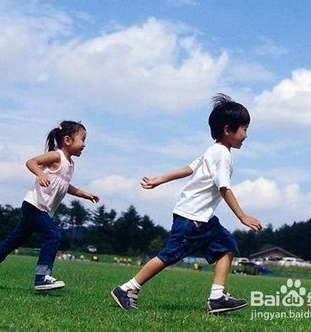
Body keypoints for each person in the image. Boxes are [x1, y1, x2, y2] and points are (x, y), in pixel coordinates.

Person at [111, 94, 263, 314]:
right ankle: (127, 289)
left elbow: (190, 168)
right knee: (169, 256)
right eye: (244, 129)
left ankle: (217, 297)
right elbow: (224, 187)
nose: (246, 135)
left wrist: (160, 179)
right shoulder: (222, 155)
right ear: (228, 130)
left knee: (227, 246)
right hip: (192, 218)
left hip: (203, 219)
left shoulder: (213, 151)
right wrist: (242, 216)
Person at [0, 121, 99, 291]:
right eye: (82, 139)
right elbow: (31, 162)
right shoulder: (56, 156)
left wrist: (84, 194)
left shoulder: (70, 164)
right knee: (53, 235)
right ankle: (42, 277)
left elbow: (63, 185)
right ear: (68, 140)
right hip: (34, 206)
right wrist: (40, 173)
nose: (84, 144)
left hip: (41, 209)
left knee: (14, 241)